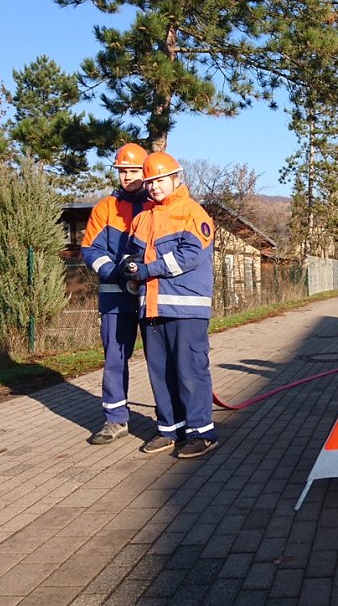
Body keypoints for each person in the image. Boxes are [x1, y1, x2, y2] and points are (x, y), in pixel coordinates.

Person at [121, 151, 218, 459]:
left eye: (160, 180)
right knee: (160, 372)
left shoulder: (192, 212)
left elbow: (190, 255)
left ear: (176, 178)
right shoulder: (141, 218)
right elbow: (130, 256)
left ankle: (201, 432)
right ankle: (169, 428)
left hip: (186, 310)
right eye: (150, 182)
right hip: (150, 309)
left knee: (190, 371)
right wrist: (128, 268)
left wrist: (146, 270)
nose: (154, 187)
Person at [81, 142, 152, 445]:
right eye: (123, 172)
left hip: (152, 295)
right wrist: (114, 272)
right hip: (115, 298)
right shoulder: (106, 208)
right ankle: (115, 419)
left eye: (133, 171)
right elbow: (89, 249)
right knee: (114, 358)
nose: (127, 177)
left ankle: (169, 418)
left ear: (145, 171)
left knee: (160, 358)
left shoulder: (156, 205)